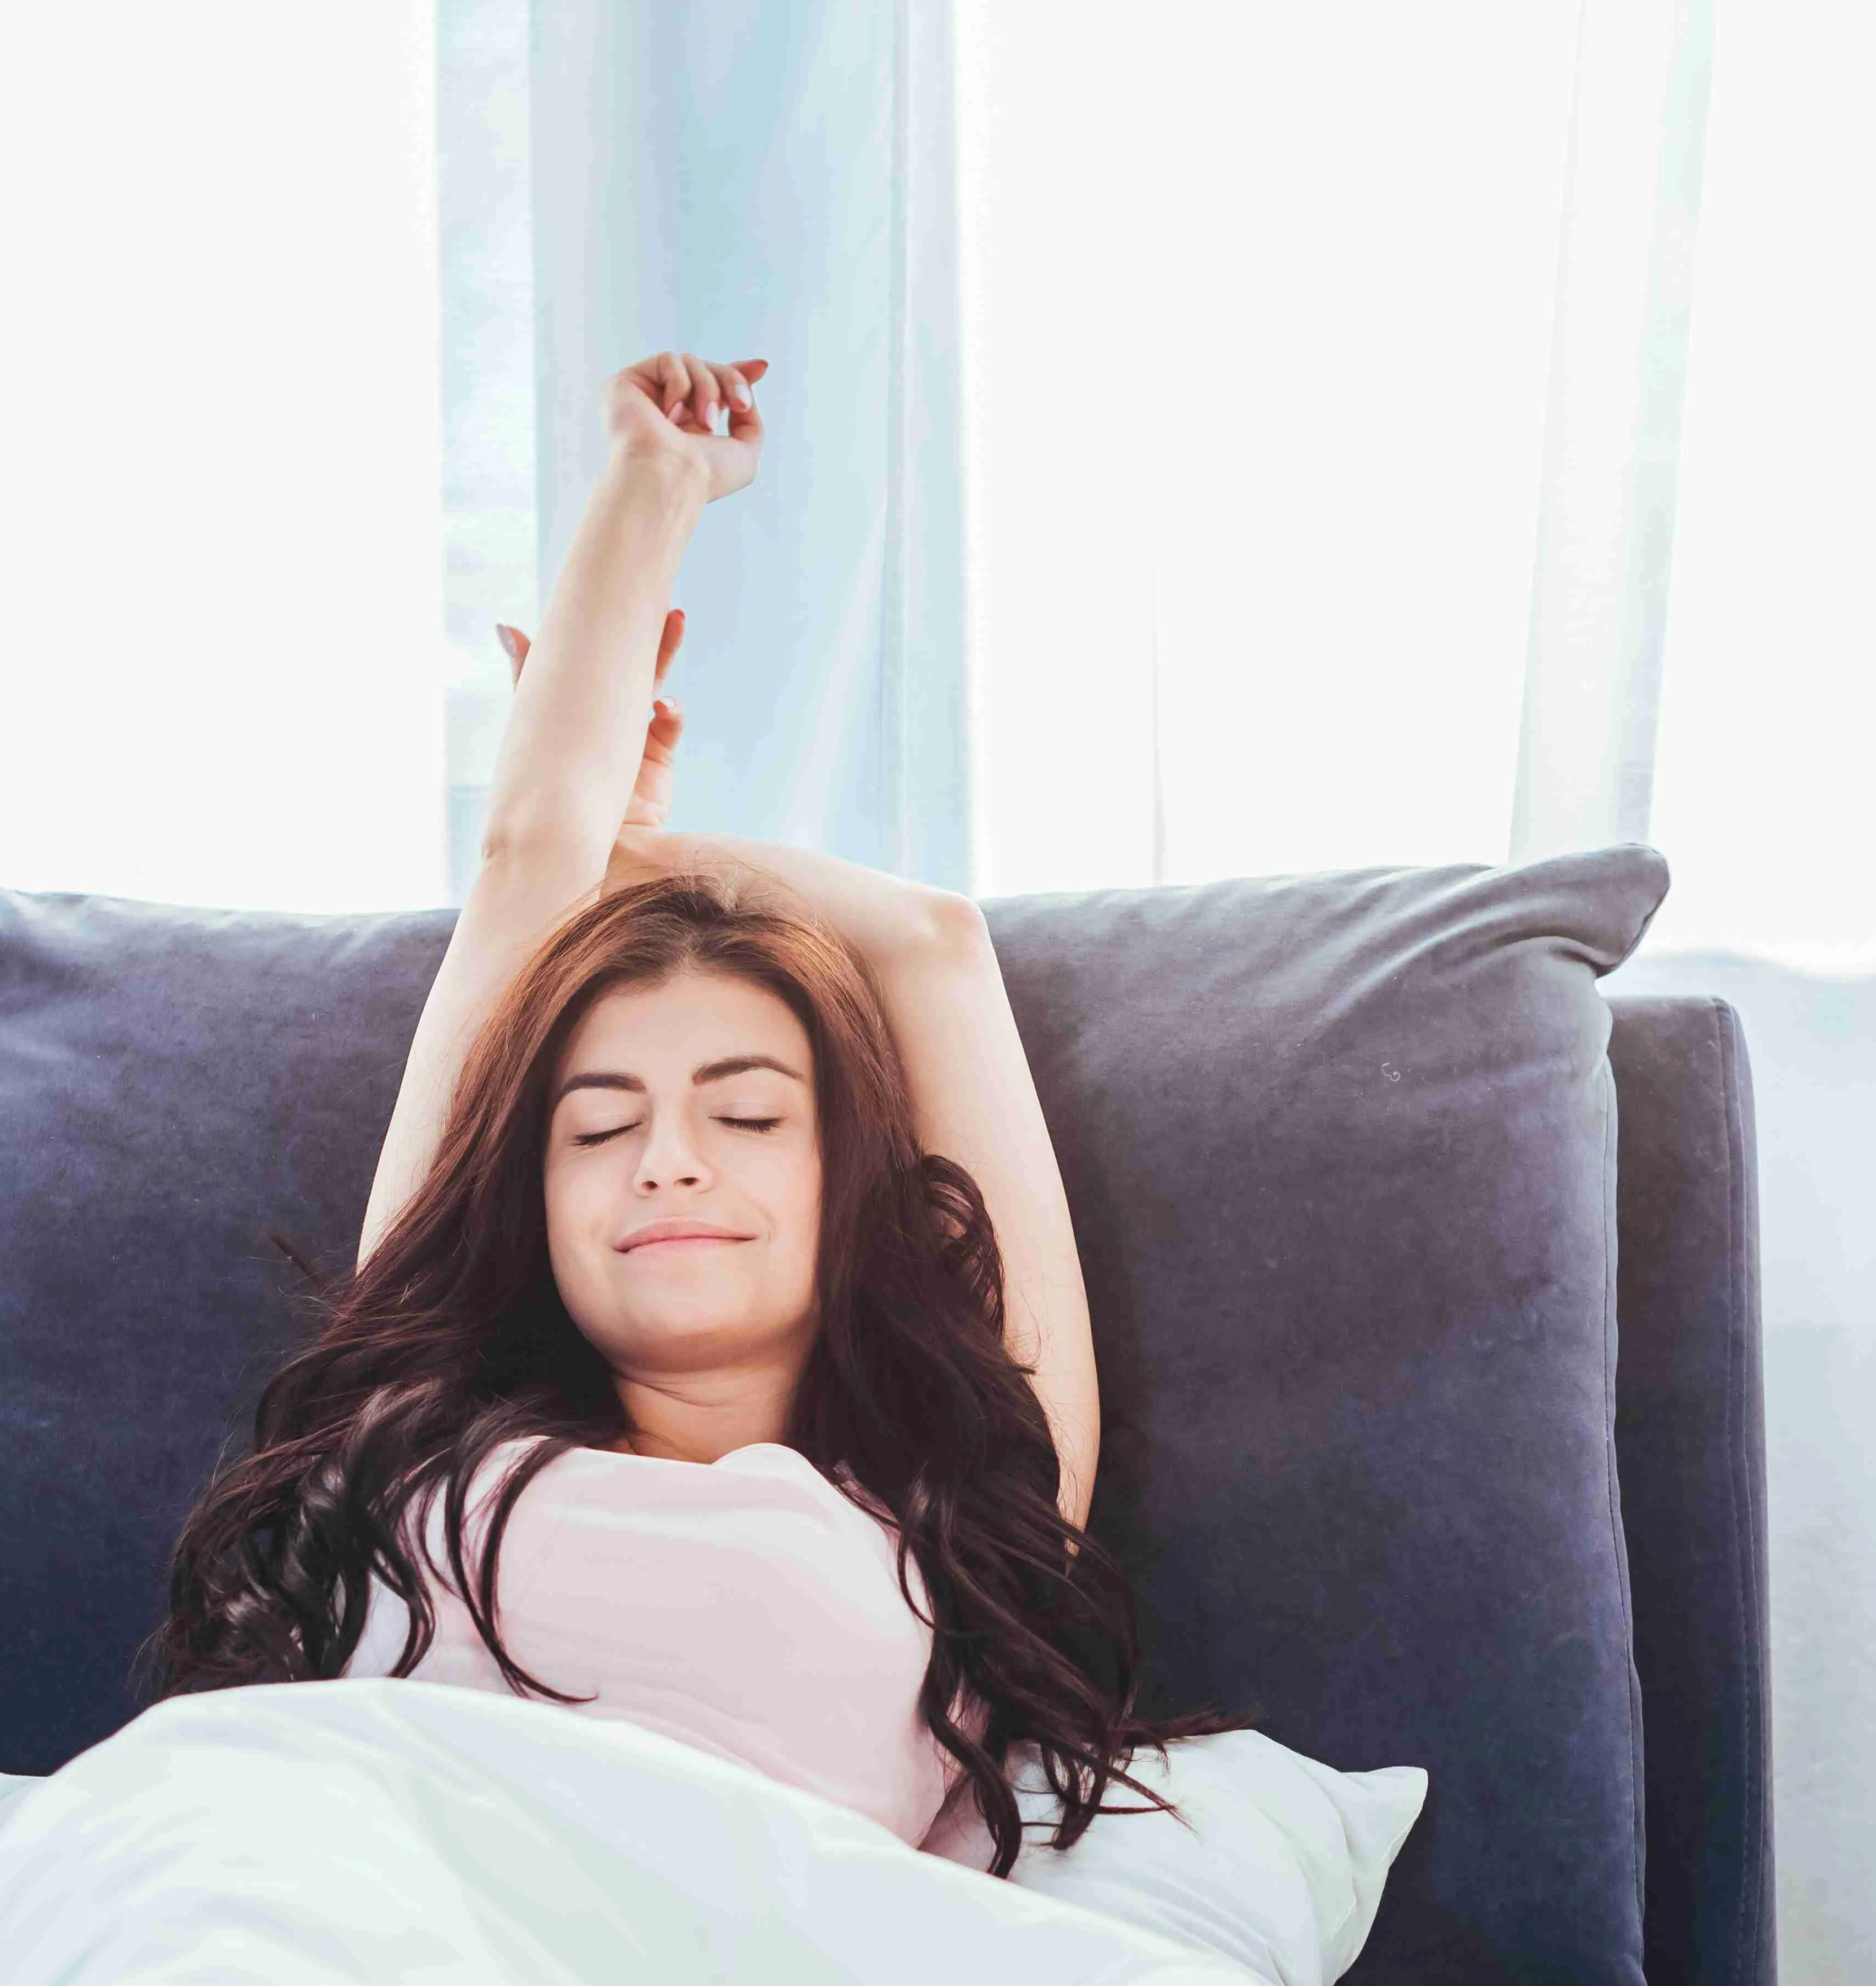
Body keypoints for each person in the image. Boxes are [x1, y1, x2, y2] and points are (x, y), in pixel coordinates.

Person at [149, 348, 1222, 1870]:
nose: (665, 1160)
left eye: (749, 1116)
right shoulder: (404, 1442)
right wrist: (654, 483)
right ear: (529, 1204)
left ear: (854, 1186)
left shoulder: (970, 1510)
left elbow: (932, 942)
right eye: (595, 1127)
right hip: (336, 1968)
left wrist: (631, 845)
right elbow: (529, 858)